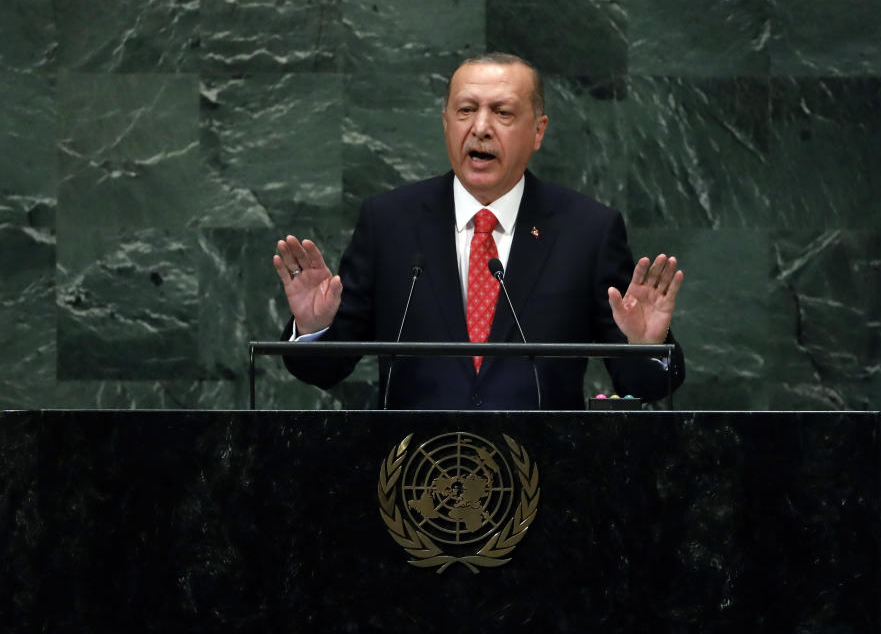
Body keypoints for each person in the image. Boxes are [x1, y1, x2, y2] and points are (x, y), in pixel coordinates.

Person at [273, 53, 685, 410]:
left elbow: (641, 385)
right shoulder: (390, 222)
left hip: (544, 480)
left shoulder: (588, 230)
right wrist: (313, 330)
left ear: (538, 131)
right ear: (446, 123)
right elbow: (326, 369)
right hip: (412, 479)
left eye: (502, 113)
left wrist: (647, 348)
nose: (481, 127)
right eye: (466, 110)